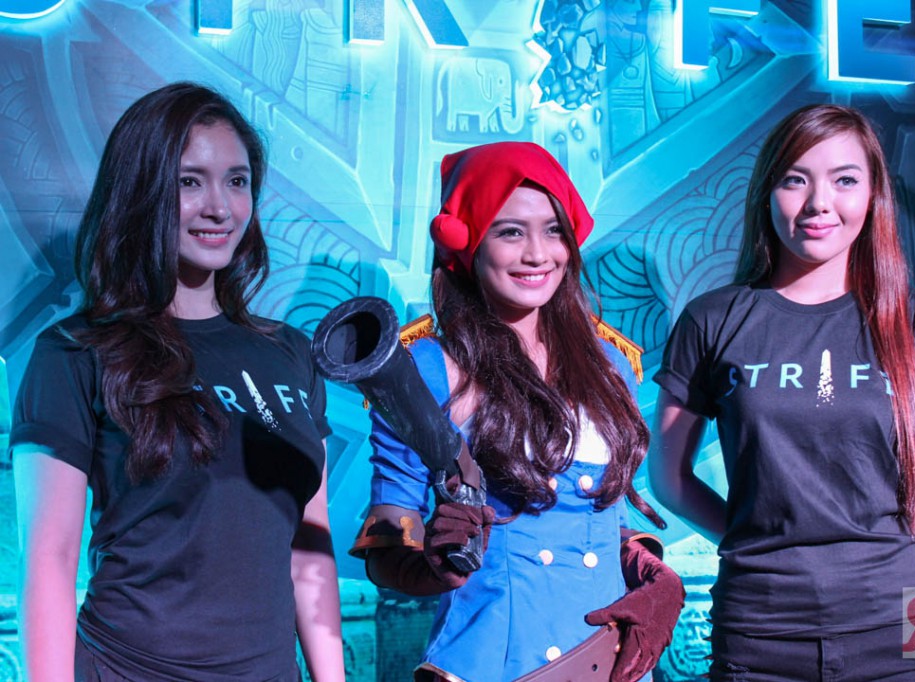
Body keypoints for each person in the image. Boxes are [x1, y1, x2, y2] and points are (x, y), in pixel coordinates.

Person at [11, 82, 346, 681]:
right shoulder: (76, 352)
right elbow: (50, 559)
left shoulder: (290, 353)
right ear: (142, 191)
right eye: (190, 182)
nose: (220, 207)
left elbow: (309, 550)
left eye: (237, 181)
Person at [649, 103, 915, 681]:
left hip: (903, 626)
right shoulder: (712, 320)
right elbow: (669, 479)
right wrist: (758, 540)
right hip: (759, 630)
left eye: (845, 180)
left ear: (874, 194)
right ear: (766, 193)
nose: (818, 203)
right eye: (795, 180)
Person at [349, 141, 684, 682]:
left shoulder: (608, 364)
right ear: (468, 244)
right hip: (493, 664)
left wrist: (656, 577)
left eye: (553, 231)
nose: (538, 254)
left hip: (608, 661)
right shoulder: (428, 369)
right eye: (510, 232)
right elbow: (388, 545)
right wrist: (436, 562)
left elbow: (604, 519)